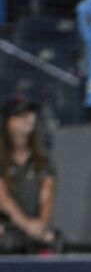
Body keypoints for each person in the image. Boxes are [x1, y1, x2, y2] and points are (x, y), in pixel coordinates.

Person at [0, 94, 57, 254]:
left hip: (34, 227)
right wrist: (26, 225)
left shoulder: (42, 160)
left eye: (30, 113)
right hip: (8, 226)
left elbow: (47, 195)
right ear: (8, 122)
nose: (28, 119)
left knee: (53, 240)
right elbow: (4, 200)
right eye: (20, 115)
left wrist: (42, 225)